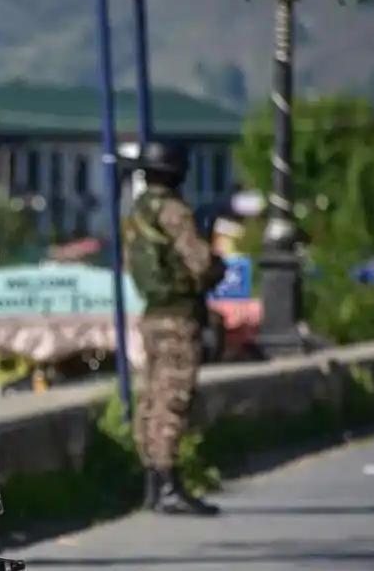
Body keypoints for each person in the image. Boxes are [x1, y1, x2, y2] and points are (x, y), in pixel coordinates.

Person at [123, 141, 227, 516]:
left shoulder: (137, 212)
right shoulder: (173, 211)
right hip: (179, 316)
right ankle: (169, 485)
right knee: (173, 398)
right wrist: (216, 268)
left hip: (151, 314)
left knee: (151, 398)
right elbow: (200, 262)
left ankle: (153, 482)